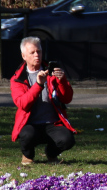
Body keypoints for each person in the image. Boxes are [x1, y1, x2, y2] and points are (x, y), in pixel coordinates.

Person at [11, 36, 76, 165]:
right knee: (26, 135)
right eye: (32, 52)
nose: (37, 55)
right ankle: (28, 155)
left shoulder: (52, 71)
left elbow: (67, 99)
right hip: (31, 125)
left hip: (52, 123)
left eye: (39, 51)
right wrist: (39, 85)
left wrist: (62, 81)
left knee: (68, 139)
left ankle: (51, 153)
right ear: (24, 56)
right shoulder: (18, 78)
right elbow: (23, 104)